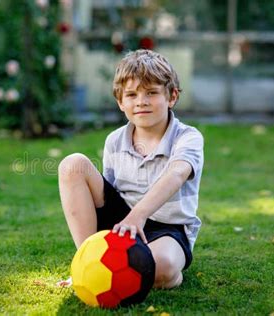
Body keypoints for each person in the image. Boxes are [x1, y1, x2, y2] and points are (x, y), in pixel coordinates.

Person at [58, 49, 203, 289]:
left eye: (152, 93)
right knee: (72, 164)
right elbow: (108, 193)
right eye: (132, 94)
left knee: (163, 268)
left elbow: (177, 173)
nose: (141, 101)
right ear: (120, 102)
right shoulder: (115, 140)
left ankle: (168, 270)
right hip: (121, 220)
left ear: (172, 96)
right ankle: (86, 262)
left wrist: (139, 215)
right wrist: (126, 220)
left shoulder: (187, 137)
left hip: (167, 227)